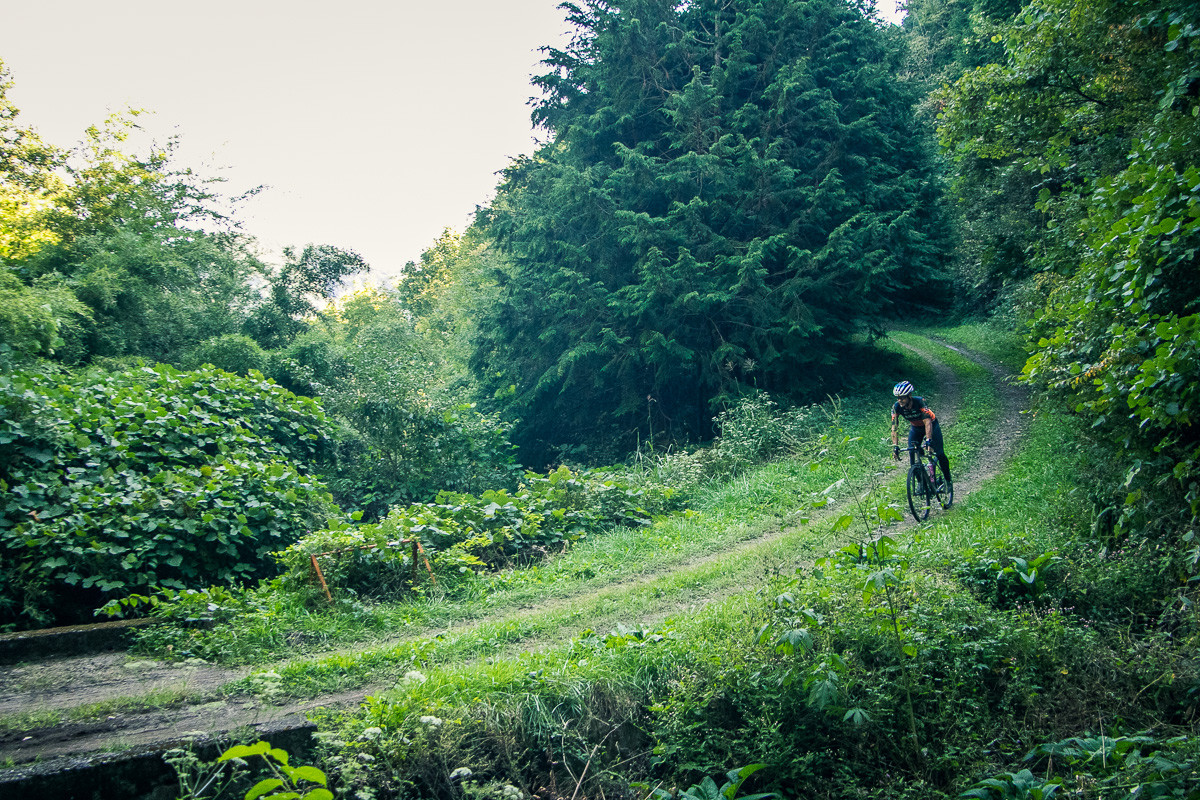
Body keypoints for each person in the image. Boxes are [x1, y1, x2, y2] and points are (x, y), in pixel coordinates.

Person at [890, 380, 952, 490]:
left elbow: (927, 423)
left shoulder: (920, 402)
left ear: (909, 396)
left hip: (931, 425)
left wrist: (929, 440)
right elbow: (894, 427)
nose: (900, 400)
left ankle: (948, 481)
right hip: (916, 428)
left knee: (940, 453)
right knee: (912, 455)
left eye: (903, 397)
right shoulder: (896, 407)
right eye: (898, 398)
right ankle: (921, 482)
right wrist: (895, 446)